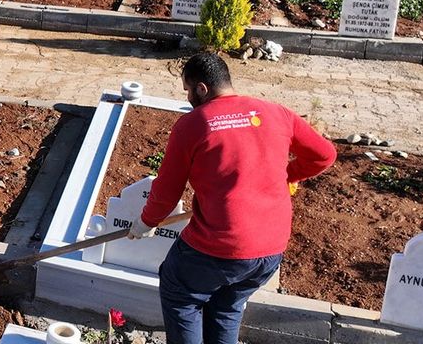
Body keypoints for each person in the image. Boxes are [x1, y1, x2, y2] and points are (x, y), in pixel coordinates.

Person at [131, 53, 336, 344]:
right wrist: (285, 176)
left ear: (202, 88)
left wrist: (146, 222)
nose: (188, 97)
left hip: (217, 248)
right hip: (269, 251)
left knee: (181, 295)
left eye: (188, 90)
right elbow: (324, 155)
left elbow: (167, 191)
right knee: (226, 309)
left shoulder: (193, 124)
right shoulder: (277, 112)